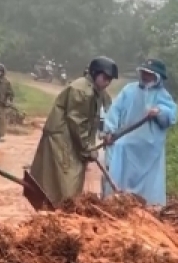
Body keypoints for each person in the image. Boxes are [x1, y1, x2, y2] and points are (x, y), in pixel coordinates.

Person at [28, 56, 117, 207]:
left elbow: (110, 109)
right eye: (105, 78)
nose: (107, 82)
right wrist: (88, 148)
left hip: (72, 138)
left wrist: (109, 132)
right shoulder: (82, 91)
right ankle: (59, 211)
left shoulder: (97, 89)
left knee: (64, 180)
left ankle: (55, 210)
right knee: (67, 182)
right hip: (62, 139)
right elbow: (77, 122)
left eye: (110, 79)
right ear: (95, 73)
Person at [103, 59, 178, 207]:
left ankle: (149, 208)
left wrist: (159, 111)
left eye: (149, 74)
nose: (145, 76)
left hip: (150, 149)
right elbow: (115, 111)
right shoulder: (129, 90)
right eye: (143, 72)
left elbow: (170, 116)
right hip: (126, 144)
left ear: (157, 77)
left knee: (149, 185)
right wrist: (110, 131)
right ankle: (116, 205)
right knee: (119, 177)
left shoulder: (163, 95)